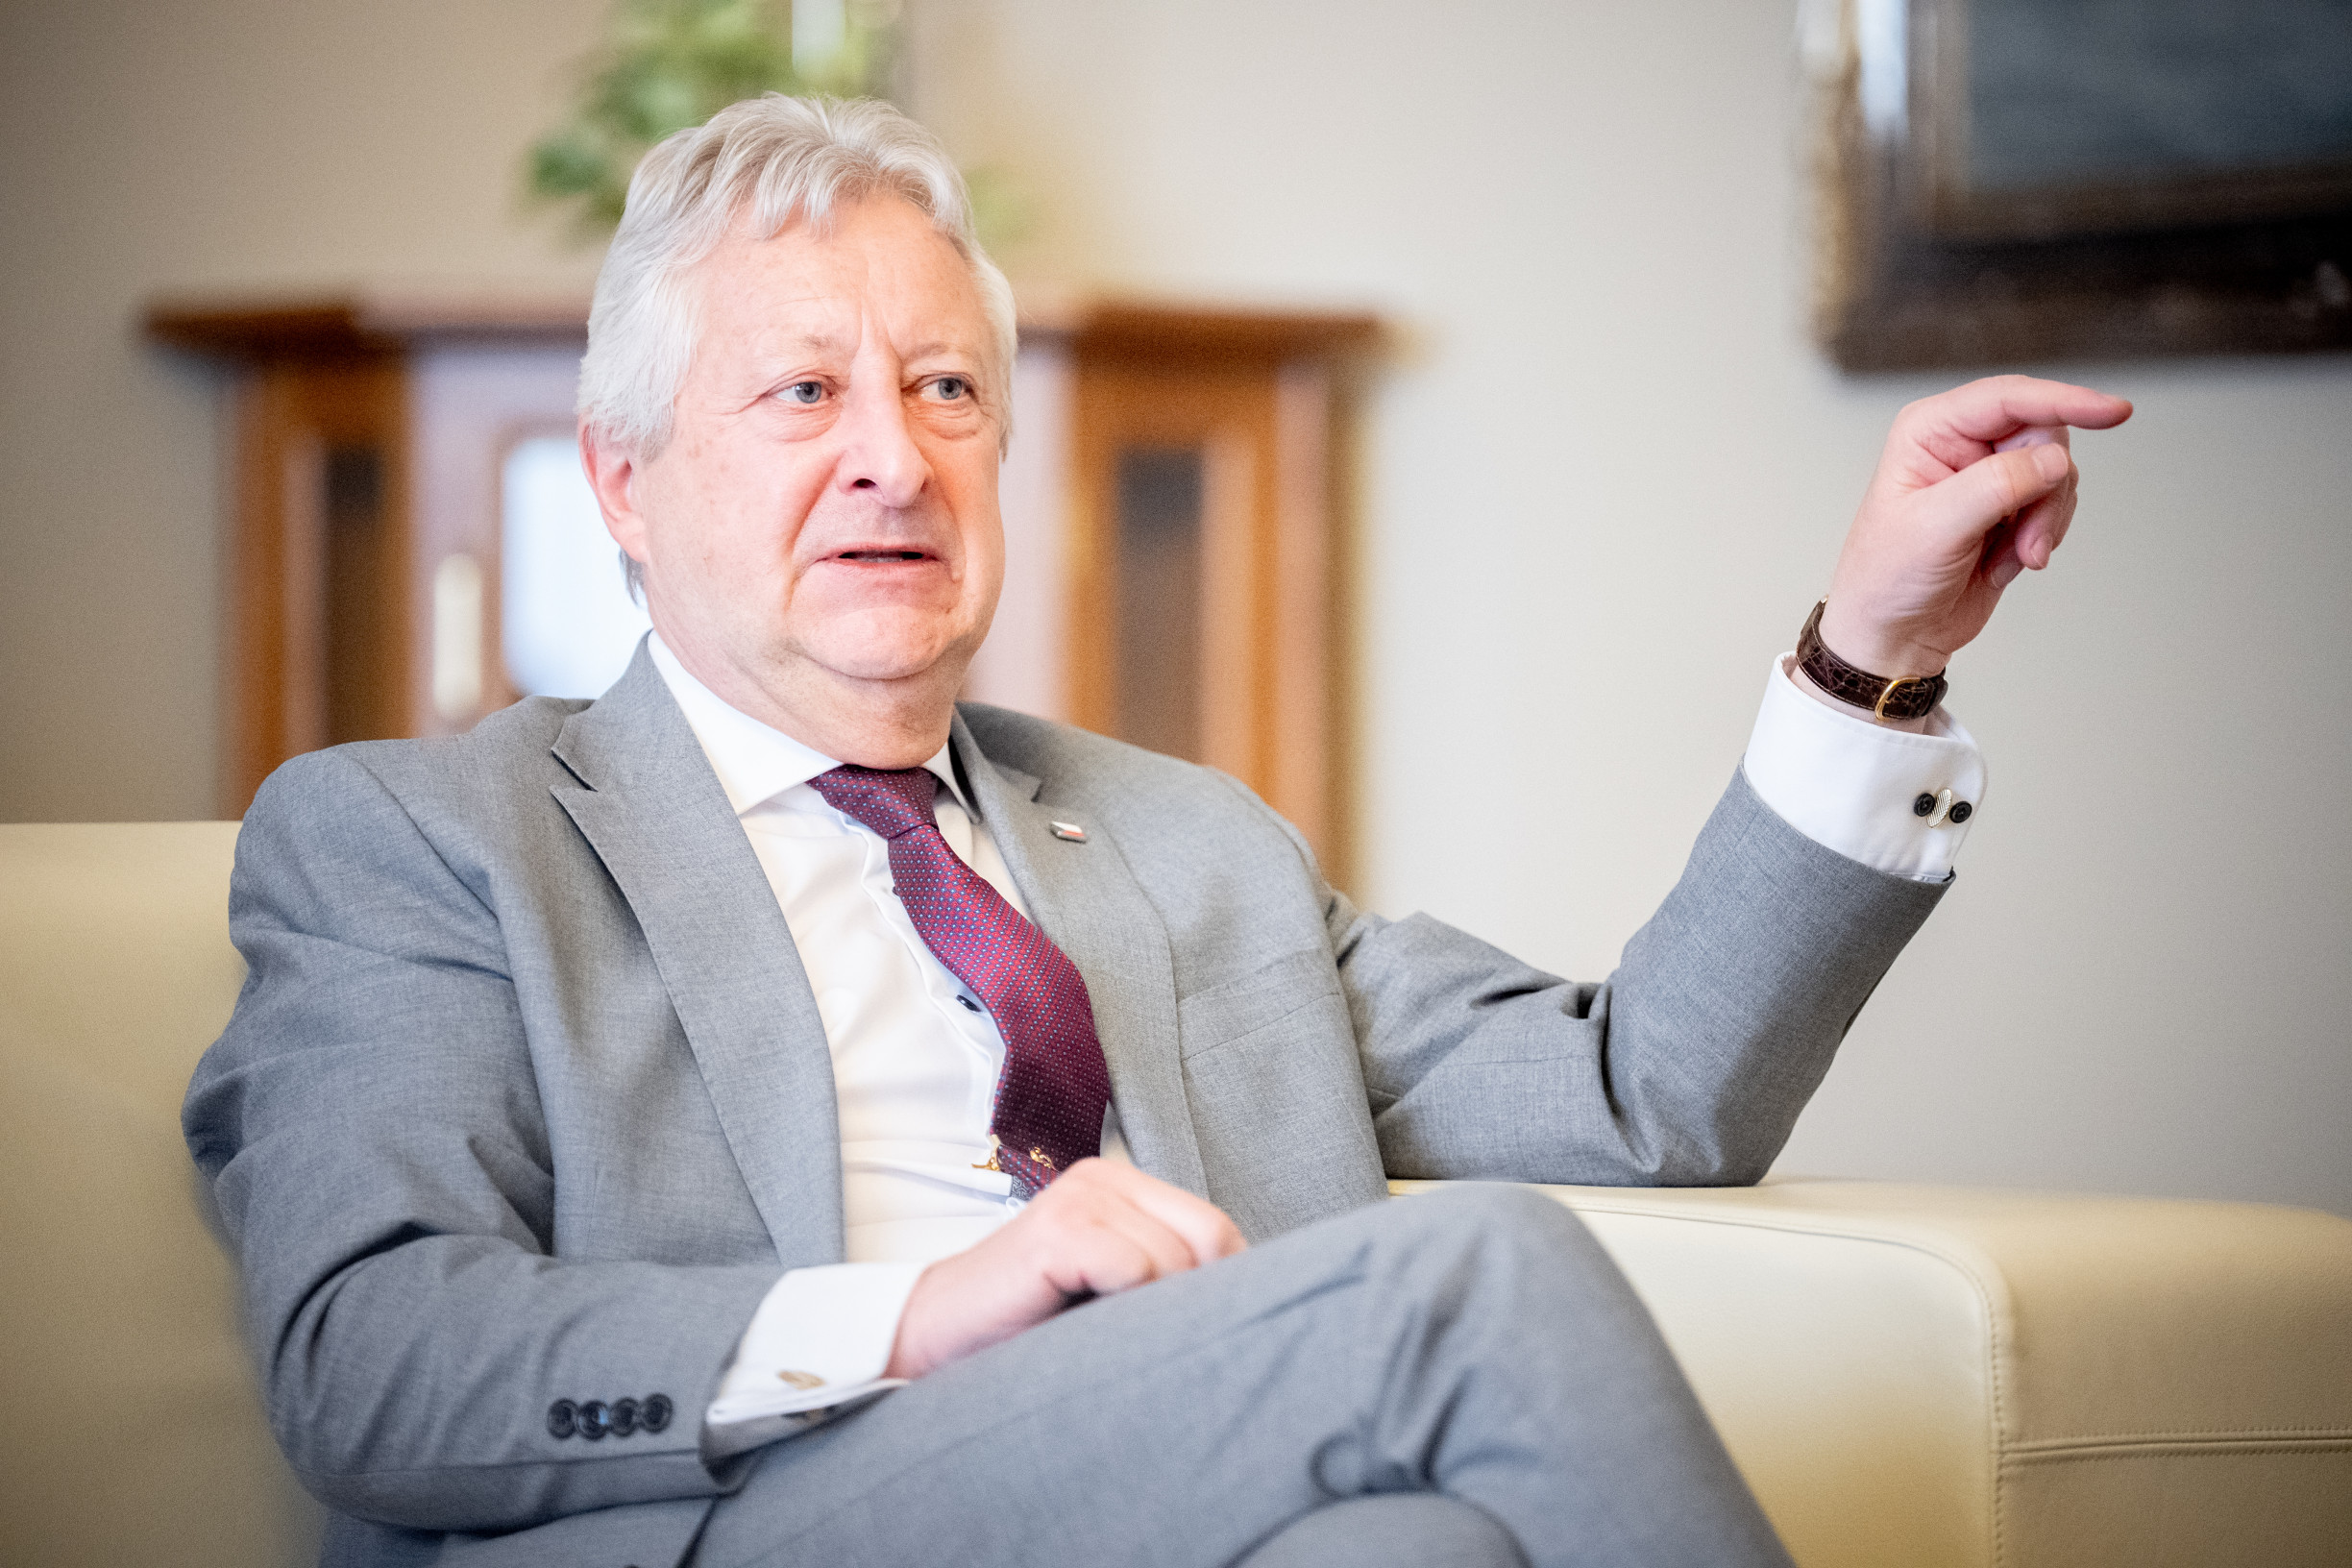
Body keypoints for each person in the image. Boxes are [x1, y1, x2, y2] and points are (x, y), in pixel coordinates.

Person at [184, 95, 2131, 1568]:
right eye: (804, 391)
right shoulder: (418, 837)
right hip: (742, 1516)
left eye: (948, 388)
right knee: (1475, 1279)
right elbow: (371, 1353)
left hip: (1155, 1493)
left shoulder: (1186, 847)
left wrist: (1871, 654)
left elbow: (1652, 1097)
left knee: (1419, 1551)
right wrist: (920, 1317)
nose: (894, 456)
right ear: (623, 480)